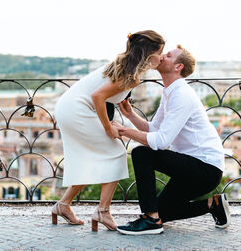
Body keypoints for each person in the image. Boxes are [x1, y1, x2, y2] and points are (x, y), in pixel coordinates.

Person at [52, 30, 165, 231]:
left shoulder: (126, 67)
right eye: (161, 52)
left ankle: (63, 205)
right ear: (150, 54)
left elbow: (104, 92)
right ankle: (102, 211)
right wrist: (107, 128)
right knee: (115, 152)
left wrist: (117, 115)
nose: (162, 56)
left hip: (70, 107)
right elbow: (97, 96)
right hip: (77, 110)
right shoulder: (131, 76)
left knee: (92, 157)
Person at [114, 45, 230, 235]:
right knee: (163, 211)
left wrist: (124, 131)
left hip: (205, 169)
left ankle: (150, 219)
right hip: (191, 167)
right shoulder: (170, 92)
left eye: (168, 55)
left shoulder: (182, 95)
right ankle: (213, 204)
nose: (161, 56)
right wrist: (131, 116)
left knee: (141, 153)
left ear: (178, 67)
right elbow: (154, 129)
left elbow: (160, 141)